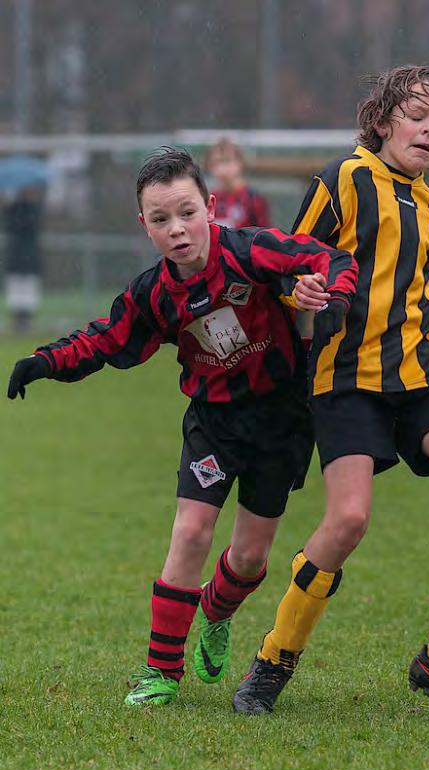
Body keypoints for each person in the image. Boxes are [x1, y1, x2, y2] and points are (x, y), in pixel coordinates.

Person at [7, 147, 358, 707]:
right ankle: (161, 672)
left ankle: (216, 614)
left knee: (248, 559)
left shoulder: (252, 251)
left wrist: (332, 294)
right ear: (142, 225)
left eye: (187, 212)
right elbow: (104, 339)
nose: (177, 229)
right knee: (191, 533)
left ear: (211, 207)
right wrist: (45, 361)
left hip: (283, 422)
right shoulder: (152, 294)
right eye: (161, 219)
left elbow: (330, 258)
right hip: (214, 424)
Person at [232, 64, 429, 717]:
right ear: (383, 121)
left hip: (421, 373)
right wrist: (295, 289)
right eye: (417, 115)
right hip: (346, 377)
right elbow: (288, 259)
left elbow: (424, 296)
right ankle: (272, 659)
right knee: (348, 519)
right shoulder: (343, 179)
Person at [3, 185, 44, 334]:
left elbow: (29, 226)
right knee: (16, 289)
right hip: (15, 258)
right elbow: (11, 226)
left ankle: (26, 321)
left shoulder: (33, 210)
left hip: (30, 258)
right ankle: (17, 320)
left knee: (28, 289)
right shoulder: (12, 210)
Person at [205, 137, 271, 229]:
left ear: (240, 163)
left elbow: (265, 236)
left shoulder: (253, 199)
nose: (222, 169)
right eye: (216, 162)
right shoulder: (207, 200)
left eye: (227, 161)